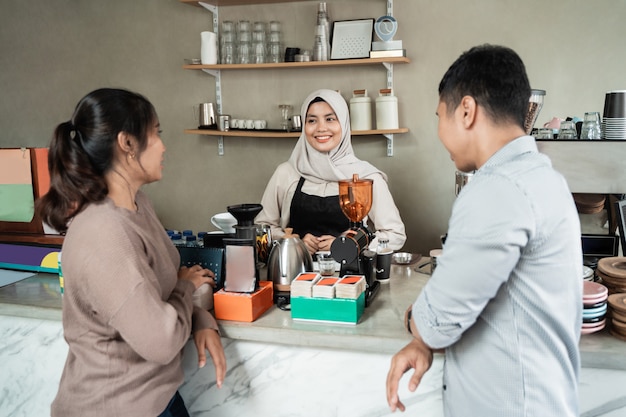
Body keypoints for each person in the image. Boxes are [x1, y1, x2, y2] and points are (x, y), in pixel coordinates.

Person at [386, 45, 582, 416]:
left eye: (439, 115)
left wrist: (416, 320)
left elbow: (437, 322)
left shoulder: (497, 188)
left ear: (466, 110)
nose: (439, 130)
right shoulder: (544, 178)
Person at [36, 88, 226, 417]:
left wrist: (201, 318)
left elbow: (161, 295)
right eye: (156, 133)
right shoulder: (102, 232)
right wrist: (187, 289)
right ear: (127, 143)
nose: (164, 146)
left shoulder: (138, 206)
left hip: (157, 399)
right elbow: (161, 339)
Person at [255, 89, 406, 255]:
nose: (321, 128)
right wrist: (293, 241)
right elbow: (263, 229)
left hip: (352, 277)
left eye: (330, 119)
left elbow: (395, 235)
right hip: (295, 274)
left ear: (344, 123)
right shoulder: (286, 173)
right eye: (312, 120)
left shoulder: (366, 177)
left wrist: (350, 244)